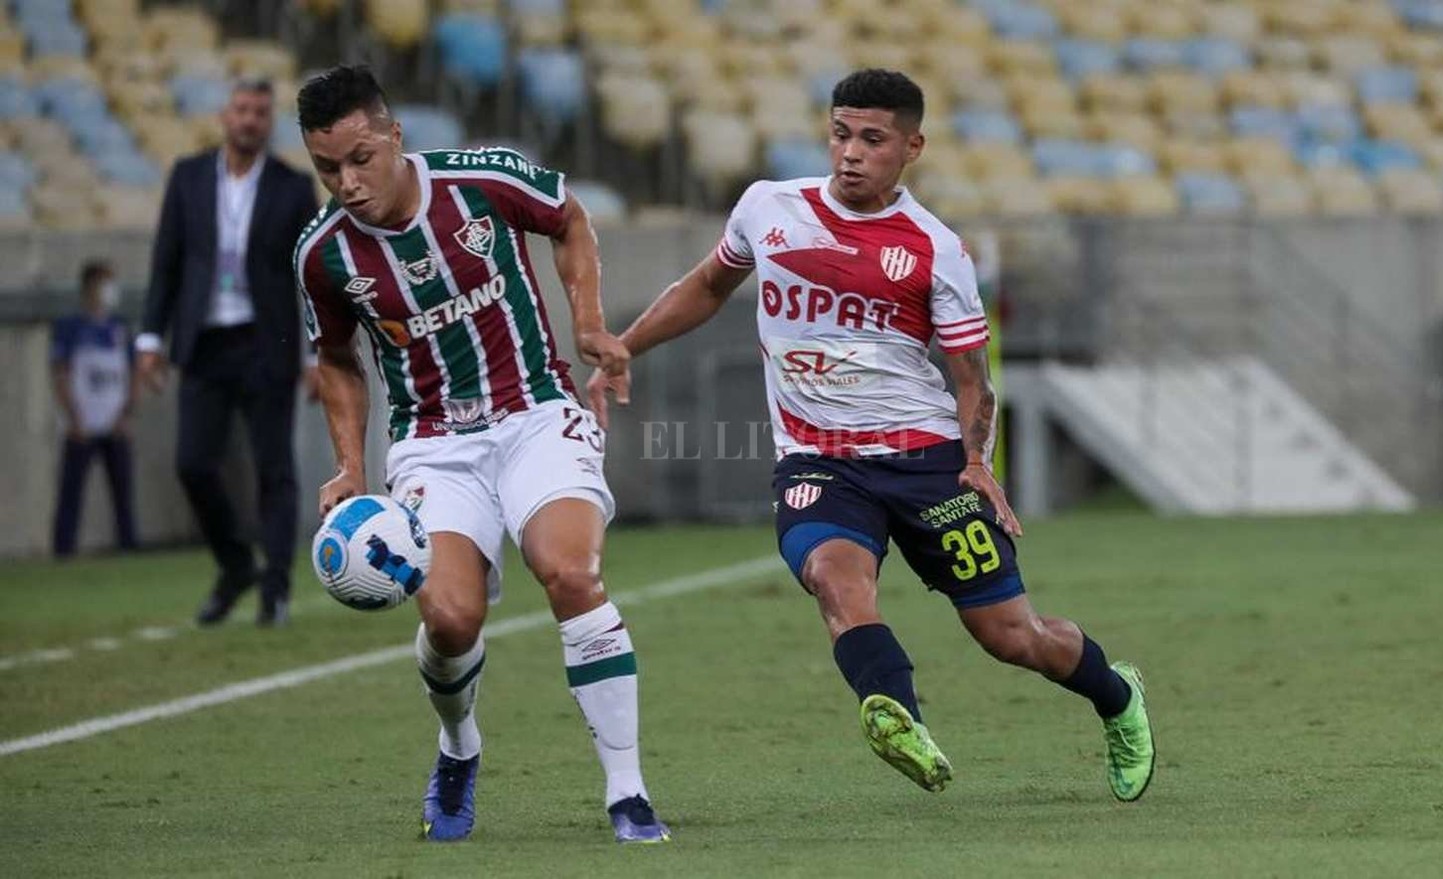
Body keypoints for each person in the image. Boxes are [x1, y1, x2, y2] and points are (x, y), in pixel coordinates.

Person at [589, 69, 1156, 801]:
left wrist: (976, 460)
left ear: (910, 147)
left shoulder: (934, 249)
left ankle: (1116, 696)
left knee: (1011, 636)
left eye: (872, 139)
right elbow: (706, 285)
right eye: (839, 133)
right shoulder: (768, 208)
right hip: (818, 459)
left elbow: (970, 379)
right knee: (833, 575)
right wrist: (628, 343)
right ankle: (900, 720)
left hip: (925, 461)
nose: (849, 152)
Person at [292, 64, 668, 844]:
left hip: (535, 411)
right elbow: (335, 358)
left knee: (570, 570)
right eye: (327, 167)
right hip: (433, 443)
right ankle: (458, 745)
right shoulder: (321, 254)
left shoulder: (482, 179)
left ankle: (627, 791)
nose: (348, 182)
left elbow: (569, 219)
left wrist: (591, 324)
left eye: (361, 157)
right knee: (452, 617)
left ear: (394, 136)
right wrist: (352, 471)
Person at [136, 79, 320, 627]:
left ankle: (277, 590)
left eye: (260, 113)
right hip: (205, 342)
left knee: (274, 471)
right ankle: (238, 565)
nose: (249, 121)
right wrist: (150, 338)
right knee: (192, 464)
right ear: (224, 114)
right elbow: (166, 262)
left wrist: (315, 355)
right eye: (241, 110)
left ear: (270, 122)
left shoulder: (291, 188)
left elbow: (309, 280)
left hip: (268, 344)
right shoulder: (189, 178)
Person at [51, 261, 139, 557]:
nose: (110, 291)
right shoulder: (69, 328)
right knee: (71, 491)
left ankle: (129, 547)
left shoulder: (120, 327)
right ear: (89, 287)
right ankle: (64, 550)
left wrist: (126, 414)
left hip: (115, 424)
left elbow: (133, 374)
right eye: (105, 283)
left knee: (123, 492)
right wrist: (74, 418)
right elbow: (60, 374)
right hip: (82, 425)